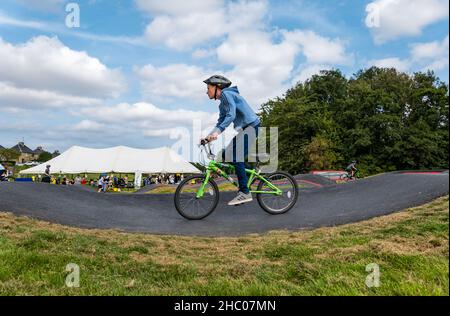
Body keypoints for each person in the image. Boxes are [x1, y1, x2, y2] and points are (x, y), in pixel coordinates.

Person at [203, 75, 260, 206]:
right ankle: (252, 171)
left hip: (251, 127)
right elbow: (221, 121)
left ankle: (245, 192)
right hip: (244, 130)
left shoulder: (227, 95)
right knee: (227, 155)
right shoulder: (222, 103)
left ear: (217, 87)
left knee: (236, 157)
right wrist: (209, 136)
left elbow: (231, 115)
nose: (207, 91)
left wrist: (217, 133)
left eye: (208, 88)